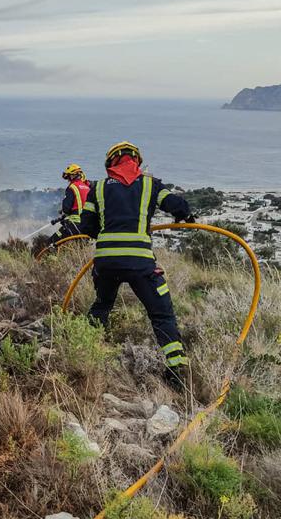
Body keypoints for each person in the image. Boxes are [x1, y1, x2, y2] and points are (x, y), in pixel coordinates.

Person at [79, 141, 195, 387]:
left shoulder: (97, 188)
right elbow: (177, 205)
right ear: (137, 161)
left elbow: (87, 226)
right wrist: (185, 215)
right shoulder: (151, 185)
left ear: (111, 162)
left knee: (102, 306)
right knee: (162, 314)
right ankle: (176, 373)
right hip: (140, 263)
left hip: (106, 262)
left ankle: (81, 355)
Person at [48, 163, 91, 245]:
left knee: (51, 243)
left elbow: (66, 209)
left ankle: (50, 257)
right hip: (88, 227)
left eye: (68, 177)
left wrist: (63, 212)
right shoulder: (87, 188)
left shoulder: (72, 187)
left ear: (73, 176)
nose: (68, 180)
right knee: (79, 247)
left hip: (74, 225)